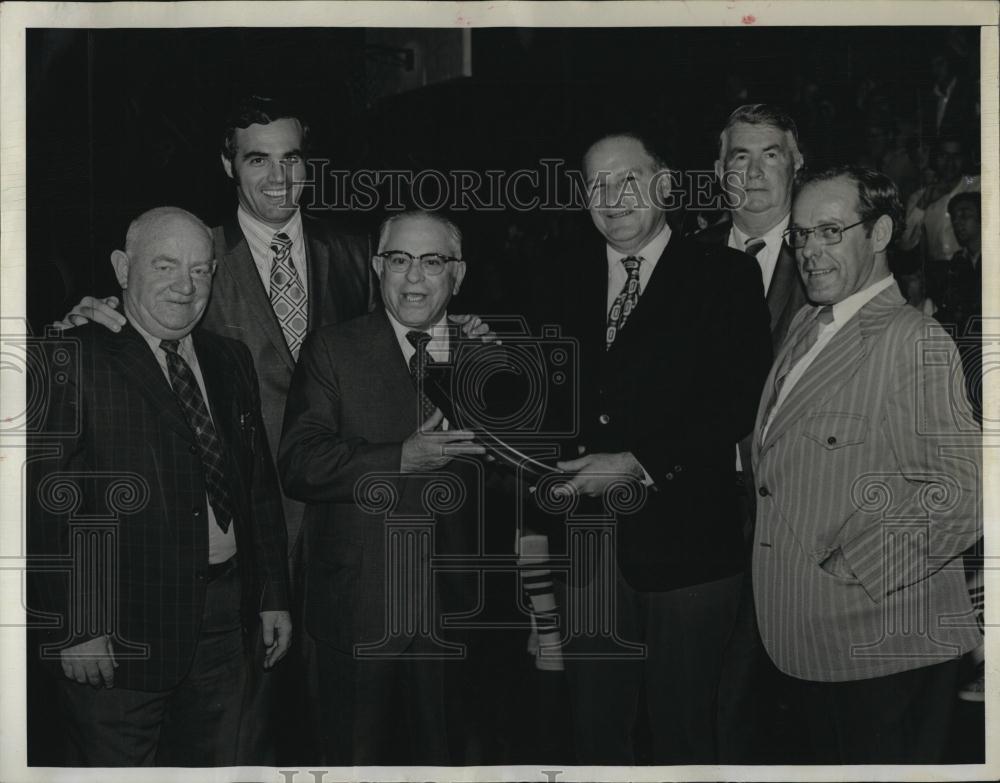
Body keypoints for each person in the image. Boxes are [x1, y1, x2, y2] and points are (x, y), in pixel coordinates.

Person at [50, 95, 489, 764]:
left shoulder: (354, 252)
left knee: (324, 737)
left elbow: (407, 328)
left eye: (293, 158)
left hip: (352, 542)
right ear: (228, 163)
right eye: (259, 159)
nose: (279, 177)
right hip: (235, 555)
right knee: (249, 739)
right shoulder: (195, 251)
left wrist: (462, 332)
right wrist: (83, 314)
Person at [28, 207, 291, 766]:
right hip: (118, 635)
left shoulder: (230, 360)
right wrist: (77, 627)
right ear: (123, 269)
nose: (185, 286)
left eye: (201, 270)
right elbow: (43, 505)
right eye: (166, 265)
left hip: (224, 624)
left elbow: (259, 489)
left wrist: (273, 595)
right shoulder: (74, 357)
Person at [549, 132, 772, 763]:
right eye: (597, 184)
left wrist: (639, 463)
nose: (612, 197)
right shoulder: (561, 275)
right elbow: (541, 386)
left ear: (666, 185)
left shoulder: (724, 274)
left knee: (684, 734)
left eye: (629, 180)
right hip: (589, 546)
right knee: (595, 734)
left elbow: (739, 399)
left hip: (691, 552)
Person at [753, 166, 981, 763]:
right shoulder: (809, 321)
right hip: (807, 644)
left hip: (882, 647)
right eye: (800, 235)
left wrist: (854, 564)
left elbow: (965, 494)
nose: (809, 252)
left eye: (830, 231)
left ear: (880, 234)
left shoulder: (913, 341)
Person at [278, 210, 490, 765]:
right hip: (358, 605)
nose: (414, 277)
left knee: (449, 760)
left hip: (455, 609)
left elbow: (516, 483)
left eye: (432, 262)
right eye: (399, 260)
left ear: (458, 273)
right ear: (378, 267)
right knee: (352, 758)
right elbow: (299, 462)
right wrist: (400, 457)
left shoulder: (488, 357)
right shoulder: (333, 349)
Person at [697, 103, 809, 761]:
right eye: (741, 155)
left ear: (797, 164)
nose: (756, 169)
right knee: (709, 693)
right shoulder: (688, 257)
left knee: (786, 701)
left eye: (772, 153)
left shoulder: (831, 253)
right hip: (702, 504)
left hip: (797, 507)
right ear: (719, 171)